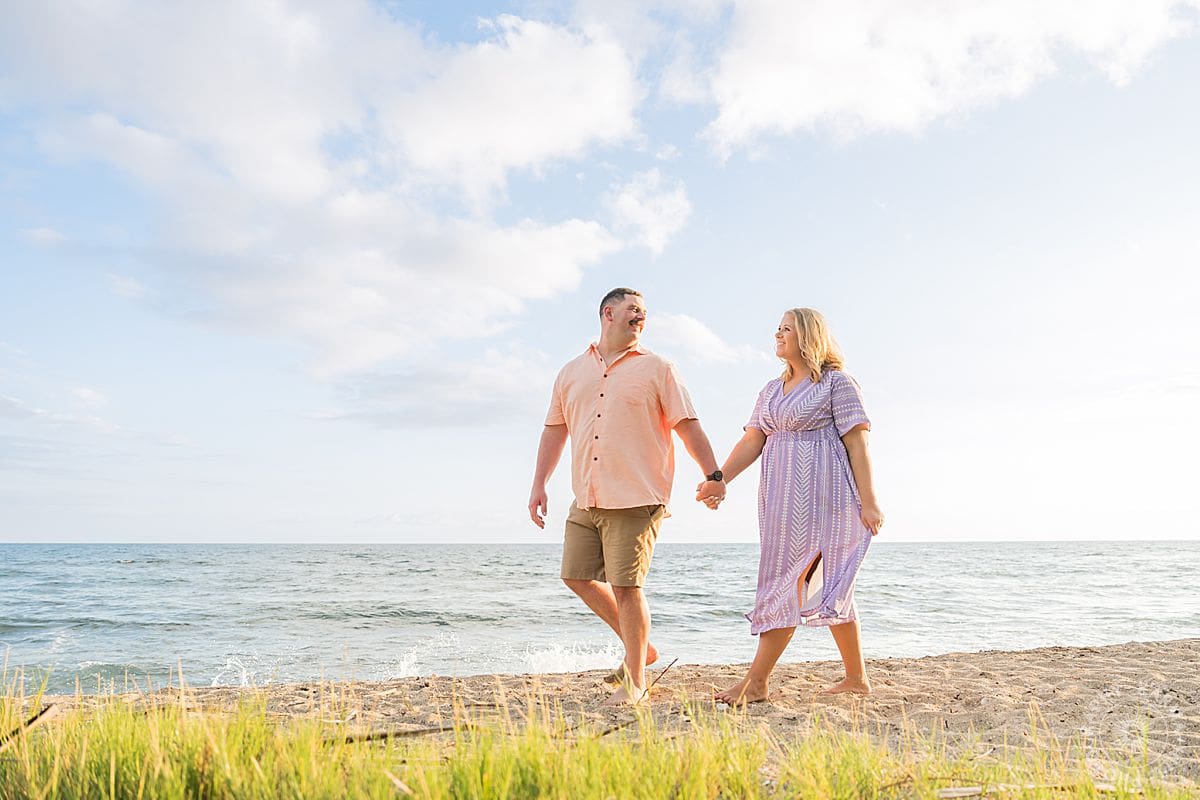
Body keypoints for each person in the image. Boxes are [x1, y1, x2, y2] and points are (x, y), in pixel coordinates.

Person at [528, 287, 725, 706]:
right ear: (608, 313)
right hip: (587, 495)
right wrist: (539, 483)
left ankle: (636, 682)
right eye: (634, 310)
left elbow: (687, 425)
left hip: (637, 495)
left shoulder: (658, 368)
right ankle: (643, 648)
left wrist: (714, 475)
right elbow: (554, 431)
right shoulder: (570, 372)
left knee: (626, 587)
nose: (641, 317)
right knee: (575, 576)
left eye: (645, 312)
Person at [699, 307, 883, 702]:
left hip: (827, 501)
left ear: (808, 336)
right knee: (825, 586)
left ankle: (757, 682)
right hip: (781, 504)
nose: (777, 334)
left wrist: (869, 503)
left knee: (790, 583)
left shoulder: (837, 384)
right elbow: (752, 441)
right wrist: (719, 480)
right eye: (777, 328)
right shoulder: (770, 390)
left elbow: (858, 444)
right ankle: (857, 678)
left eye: (786, 329)